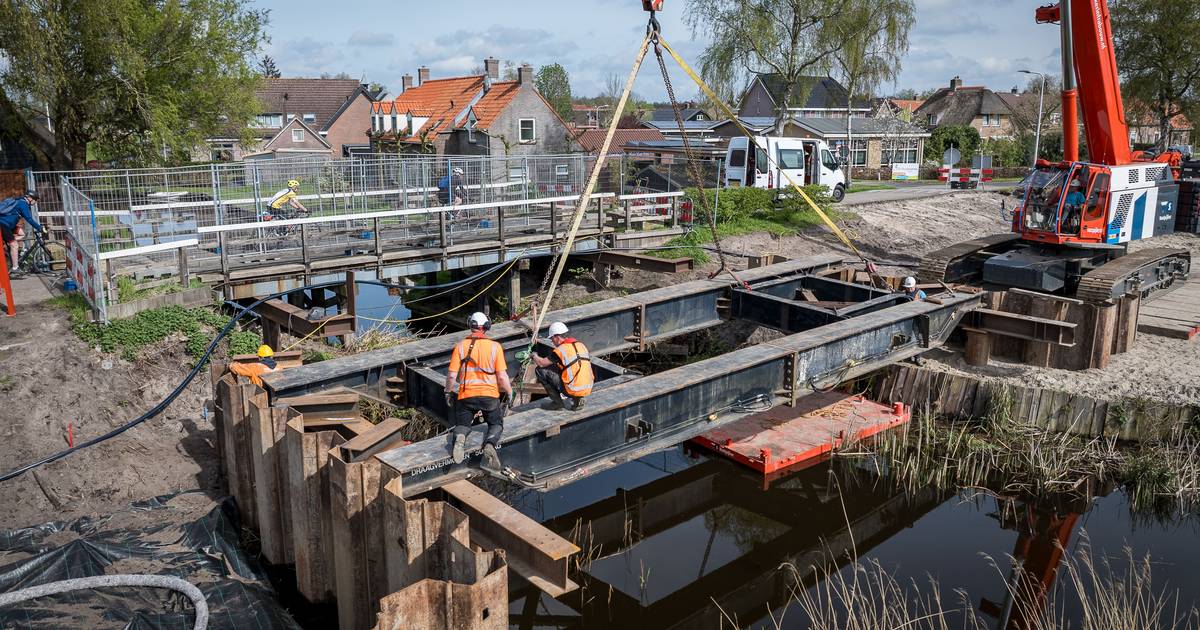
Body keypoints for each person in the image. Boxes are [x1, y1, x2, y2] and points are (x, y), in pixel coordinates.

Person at [445, 312, 513, 470]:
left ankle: (460, 438)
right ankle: (489, 445)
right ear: (487, 327)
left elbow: (451, 376)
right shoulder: (495, 347)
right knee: (496, 423)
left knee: (462, 424)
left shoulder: (460, 347)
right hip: (489, 397)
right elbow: (502, 377)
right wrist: (509, 392)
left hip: (466, 396)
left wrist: (447, 392)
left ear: (470, 325)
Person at [532, 322, 594, 411]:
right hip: (588, 387)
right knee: (567, 368)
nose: (552, 342)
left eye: (552, 339)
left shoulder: (561, 350)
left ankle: (557, 403)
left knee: (540, 370)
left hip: (572, 389)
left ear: (557, 337)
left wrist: (534, 356)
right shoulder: (581, 345)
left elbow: (542, 363)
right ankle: (578, 399)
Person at [0, 191, 47, 271]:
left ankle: (8, 242)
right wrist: (39, 228)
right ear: (29, 198)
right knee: (15, 245)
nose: (35, 202)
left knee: (22, 234)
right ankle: (15, 268)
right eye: (35, 199)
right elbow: (29, 219)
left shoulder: (20, 201)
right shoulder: (23, 204)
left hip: (9, 224)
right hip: (3, 224)